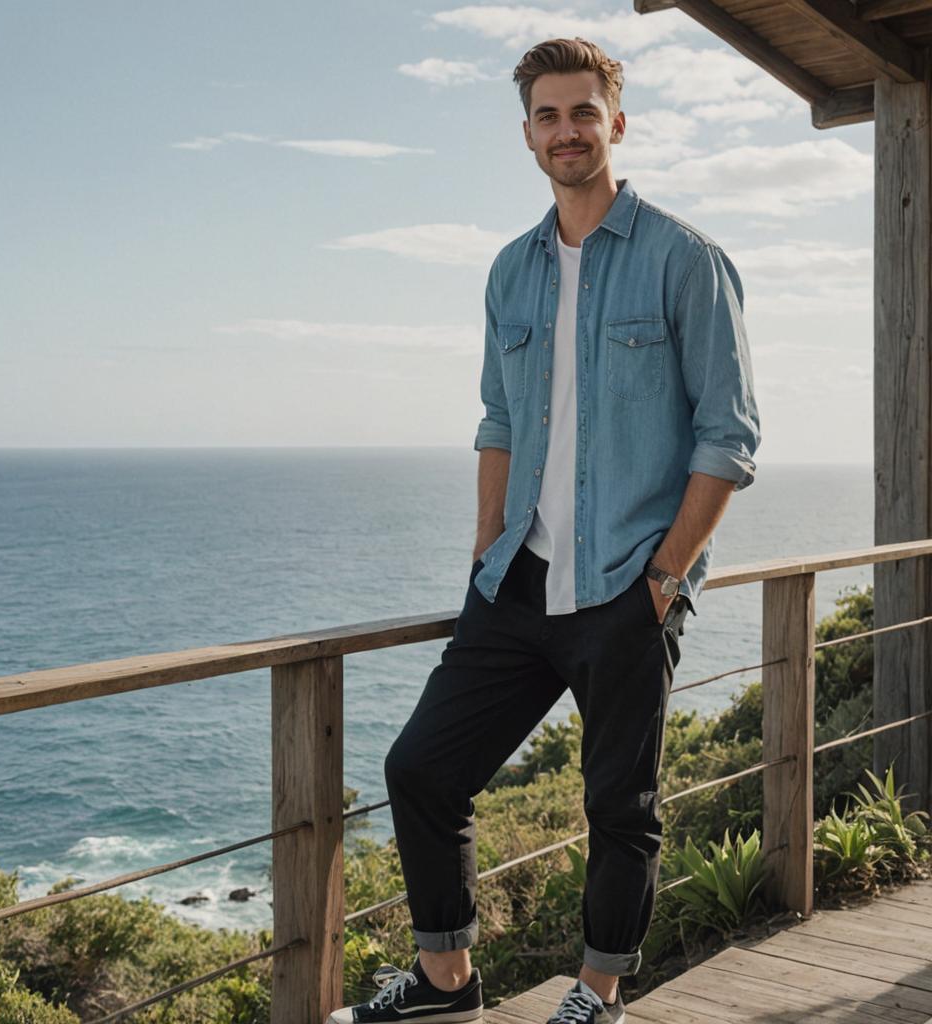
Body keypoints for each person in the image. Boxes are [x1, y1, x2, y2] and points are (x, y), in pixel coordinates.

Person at [327, 35, 761, 1024]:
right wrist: (485, 553)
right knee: (421, 768)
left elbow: (727, 438)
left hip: (622, 587)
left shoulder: (685, 260)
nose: (565, 131)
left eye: (581, 112)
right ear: (525, 133)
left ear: (616, 121)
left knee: (618, 805)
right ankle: (447, 983)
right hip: (517, 584)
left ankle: (597, 991)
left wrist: (662, 578)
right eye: (546, 115)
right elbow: (498, 422)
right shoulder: (508, 273)